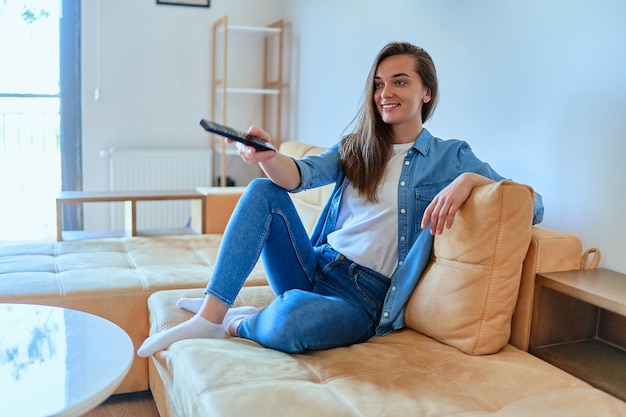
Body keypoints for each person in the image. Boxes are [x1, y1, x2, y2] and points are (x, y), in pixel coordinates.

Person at [138, 42, 543, 357]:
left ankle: (240, 323)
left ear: (426, 93)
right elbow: (299, 176)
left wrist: (470, 180)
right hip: (315, 264)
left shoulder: (450, 156)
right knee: (263, 189)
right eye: (379, 84)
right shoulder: (357, 146)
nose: (386, 92)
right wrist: (268, 157)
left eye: (400, 81)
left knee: (292, 319)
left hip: (362, 299)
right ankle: (213, 313)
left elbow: (533, 206)